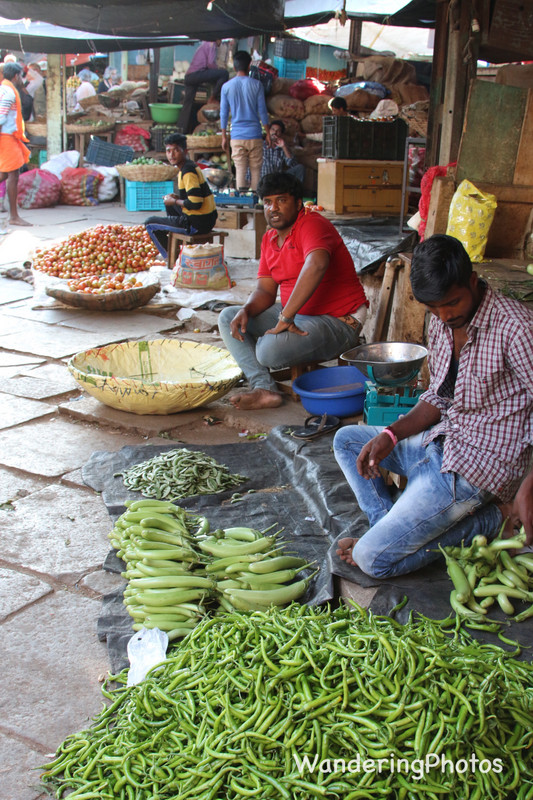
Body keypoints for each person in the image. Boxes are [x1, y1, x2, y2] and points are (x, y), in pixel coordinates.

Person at [334, 234, 533, 579]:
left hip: (475, 470)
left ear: (472, 281)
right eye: (434, 309)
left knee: (372, 561)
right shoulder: (442, 322)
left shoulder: (516, 329)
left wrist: (527, 489)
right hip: (438, 443)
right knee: (347, 441)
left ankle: (491, 519)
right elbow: (439, 398)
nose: (445, 315)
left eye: (452, 303)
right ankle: (387, 528)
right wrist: (390, 435)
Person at [218, 172, 368, 410]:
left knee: (267, 351)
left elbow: (317, 263)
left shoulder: (312, 224)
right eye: (267, 202)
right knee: (229, 318)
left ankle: (265, 376)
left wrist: (286, 317)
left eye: (281, 200)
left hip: (339, 320)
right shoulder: (269, 239)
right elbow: (266, 291)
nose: (273, 208)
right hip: (300, 316)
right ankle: (264, 388)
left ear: (298, 203)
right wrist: (247, 309)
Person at [145, 132, 217, 260]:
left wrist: (174, 201)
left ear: (185, 151)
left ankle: (172, 258)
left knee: (149, 223)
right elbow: (194, 195)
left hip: (198, 223)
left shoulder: (187, 172)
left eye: (176, 150)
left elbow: (196, 203)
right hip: (207, 219)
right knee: (171, 207)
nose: (171, 155)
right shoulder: (188, 166)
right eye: (168, 151)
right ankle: (177, 247)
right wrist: (176, 199)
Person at [220, 50, 270, 192]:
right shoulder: (257, 85)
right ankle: (255, 202)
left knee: (240, 169)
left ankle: (241, 204)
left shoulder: (226, 87)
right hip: (254, 134)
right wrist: (268, 133)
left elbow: (223, 113)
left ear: (235, 67)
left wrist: (224, 136)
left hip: (237, 136)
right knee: (255, 170)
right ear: (249, 66)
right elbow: (262, 112)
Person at [0, 62, 32, 227]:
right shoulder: (9, 93)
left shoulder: (5, 89)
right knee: (13, 175)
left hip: (9, 137)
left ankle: (14, 215)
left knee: (5, 174)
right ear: (15, 76)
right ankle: (14, 216)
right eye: (21, 75)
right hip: (7, 137)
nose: (22, 79)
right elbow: (1, 117)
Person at [178, 40, 229, 134]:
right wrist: (217, 70)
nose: (220, 43)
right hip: (197, 74)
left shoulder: (205, 43)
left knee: (187, 106)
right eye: (220, 41)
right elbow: (210, 63)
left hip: (189, 76)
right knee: (224, 74)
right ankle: (212, 98)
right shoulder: (211, 44)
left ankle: (181, 132)